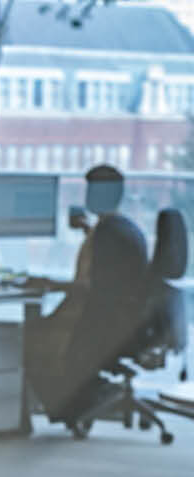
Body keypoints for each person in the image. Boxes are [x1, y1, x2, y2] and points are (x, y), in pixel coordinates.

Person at [27, 165, 151, 424]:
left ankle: (68, 407)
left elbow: (92, 288)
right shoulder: (122, 228)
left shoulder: (106, 234)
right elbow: (111, 276)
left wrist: (50, 283)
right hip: (118, 317)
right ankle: (89, 397)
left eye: (92, 192)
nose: (87, 198)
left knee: (28, 338)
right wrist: (88, 230)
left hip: (95, 321)